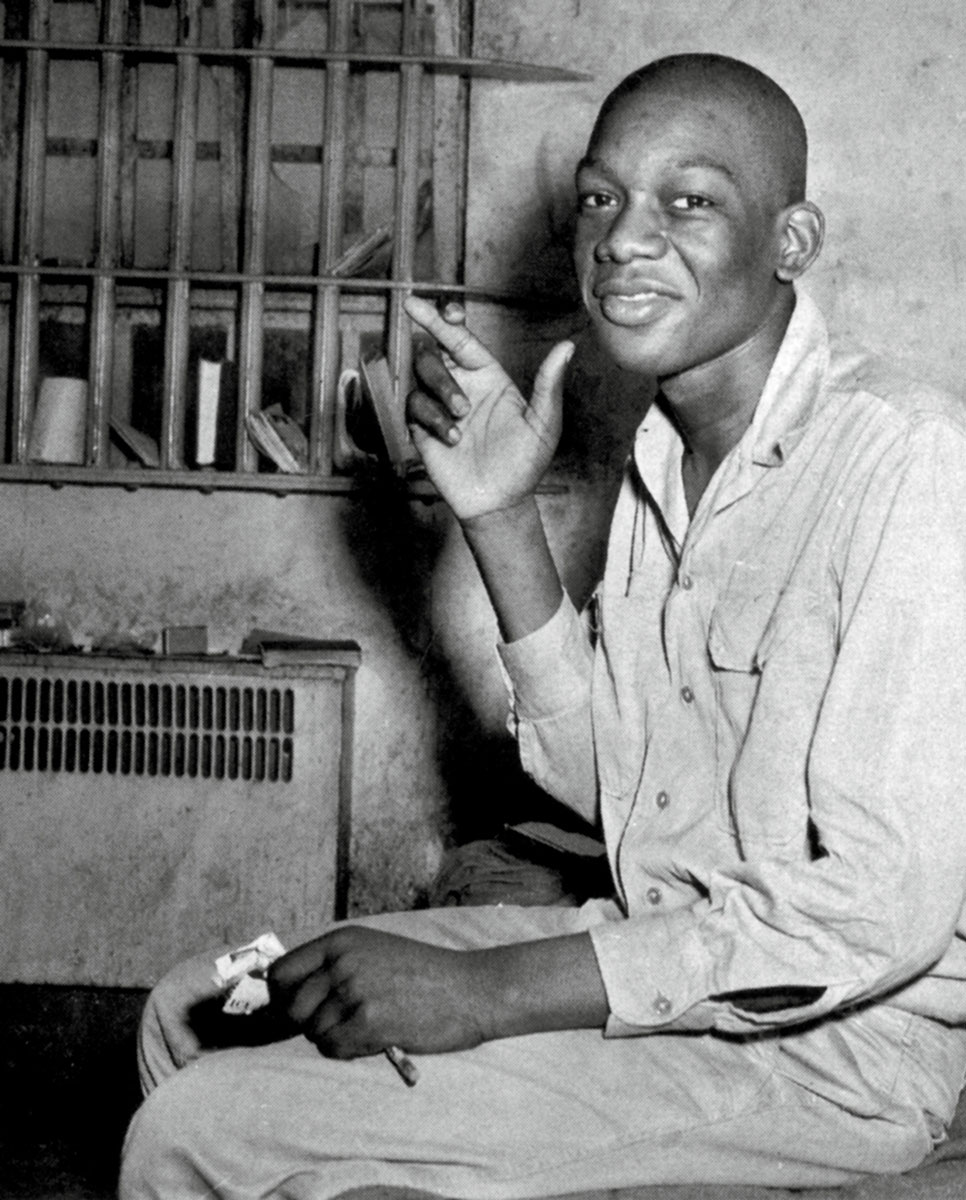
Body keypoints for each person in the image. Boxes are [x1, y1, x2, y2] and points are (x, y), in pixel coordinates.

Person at [119, 52, 966, 1199]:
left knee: (202, 1130)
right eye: (601, 198)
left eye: (690, 200)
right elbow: (610, 786)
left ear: (791, 242)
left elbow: (873, 914)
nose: (622, 236)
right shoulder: (664, 459)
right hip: (663, 952)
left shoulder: (909, 461)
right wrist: (500, 517)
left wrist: (484, 994)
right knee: (192, 1011)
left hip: (827, 1054)